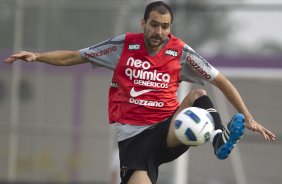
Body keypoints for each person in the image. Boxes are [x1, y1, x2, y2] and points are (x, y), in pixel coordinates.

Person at [4, 1, 276, 183]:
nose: (159, 31)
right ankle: (213, 136)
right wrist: (38, 56)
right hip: (134, 141)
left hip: (168, 128)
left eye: (165, 26)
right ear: (143, 23)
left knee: (196, 97)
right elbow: (76, 56)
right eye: (154, 24)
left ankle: (218, 140)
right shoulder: (124, 46)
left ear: (171, 28)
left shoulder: (180, 52)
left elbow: (220, 80)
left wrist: (248, 117)